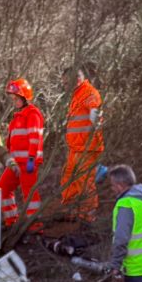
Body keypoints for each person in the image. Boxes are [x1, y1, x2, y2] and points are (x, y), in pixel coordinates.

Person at [59, 66, 105, 219]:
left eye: (66, 83)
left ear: (76, 80)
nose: (64, 86)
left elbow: (96, 113)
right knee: (68, 178)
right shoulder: (77, 95)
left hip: (86, 148)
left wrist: (95, 119)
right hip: (76, 148)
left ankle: (87, 217)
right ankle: (70, 211)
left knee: (84, 181)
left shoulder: (88, 92)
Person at [0, 77, 45, 229]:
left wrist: (32, 158)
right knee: (3, 189)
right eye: (12, 98)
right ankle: (11, 221)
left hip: (28, 162)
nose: (14, 101)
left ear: (24, 96)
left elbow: (35, 138)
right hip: (16, 162)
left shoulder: (33, 114)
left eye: (16, 98)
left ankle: (35, 226)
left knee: (30, 195)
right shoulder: (17, 116)